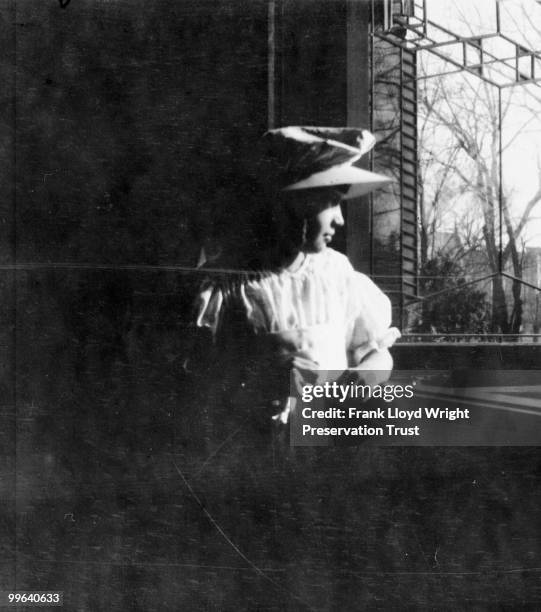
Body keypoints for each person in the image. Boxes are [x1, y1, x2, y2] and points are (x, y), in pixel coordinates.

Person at [195, 126, 400, 425]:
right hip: (255, 449)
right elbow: (196, 386)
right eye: (331, 202)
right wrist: (261, 379)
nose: (340, 219)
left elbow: (377, 352)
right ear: (288, 205)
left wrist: (361, 378)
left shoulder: (337, 275)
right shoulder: (226, 286)